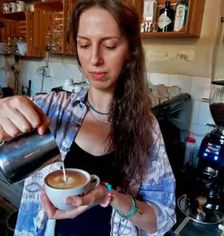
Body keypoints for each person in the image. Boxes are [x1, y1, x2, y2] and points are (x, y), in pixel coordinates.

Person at [0, 0, 176, 235]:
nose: (94, 59)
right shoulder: (50, 108)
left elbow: (159, 221)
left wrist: (108, 196)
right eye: (84, 45)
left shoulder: (146, 128)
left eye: (110, 45)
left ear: (131, 51)